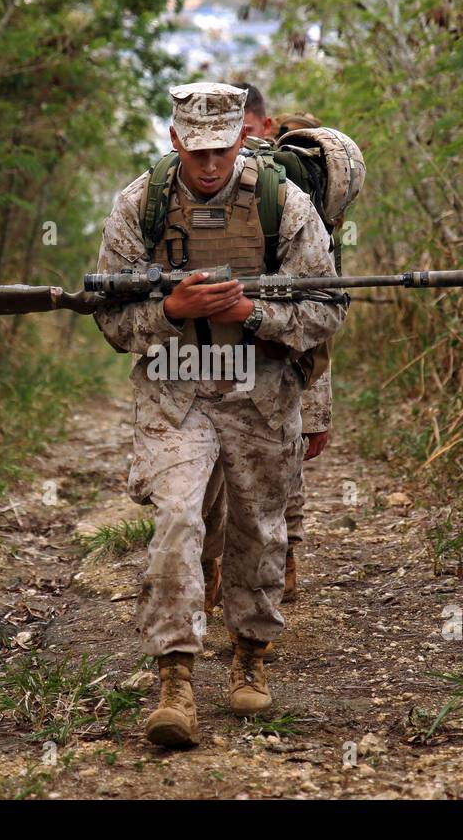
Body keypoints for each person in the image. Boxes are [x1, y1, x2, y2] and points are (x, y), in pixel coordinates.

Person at [93, 82, 346, 748]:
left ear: (245, 138)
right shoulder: (139, 205)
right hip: (176, 387)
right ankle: (174, 676)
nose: (209, 164)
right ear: (175, 141)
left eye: (222, 150)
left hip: (259, 390)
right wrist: (171, 313)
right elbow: (112, 319)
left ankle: (250, 654)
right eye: (196, 151)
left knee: (258, 529)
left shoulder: (281, 203)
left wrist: (252, 315)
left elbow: (327, 309)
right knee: (177, 518)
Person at [200, 82, 333, 614]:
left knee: (286, 460)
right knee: (211, 472)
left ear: (262, 125)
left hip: (284, 347)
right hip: (211, 356)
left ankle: (286, 555)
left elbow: (320, 309)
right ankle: (212, 567)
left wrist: (318, 408)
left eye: (240, 137)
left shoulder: (287, 190)